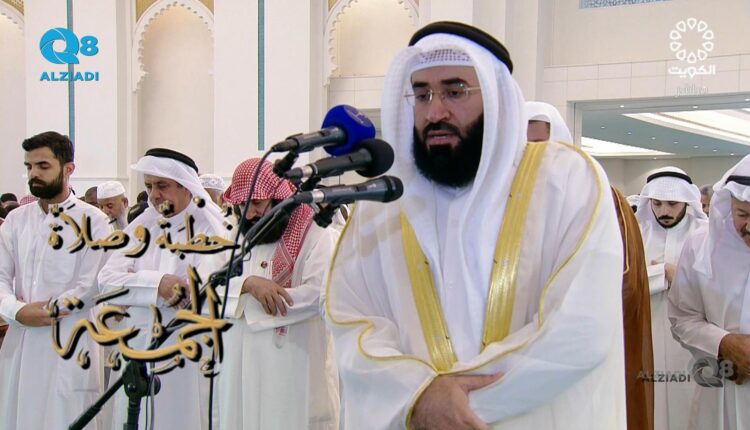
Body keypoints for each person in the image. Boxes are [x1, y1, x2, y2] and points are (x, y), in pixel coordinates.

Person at [325, 22, 625, 430]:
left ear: (497, 98)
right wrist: (417, 395)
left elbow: (580, 326)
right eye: (422, 94)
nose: (435, 112)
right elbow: (352, 319)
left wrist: (454, 406)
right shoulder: (384, 203)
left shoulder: (567, 182)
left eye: (455, 91)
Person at [526, 101, 654, 430]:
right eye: (521, 146)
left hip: (583, 355)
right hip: (516, 364)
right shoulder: (502, 203)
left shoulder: (600, 197)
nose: (530, 155)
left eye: (539, 145)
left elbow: (623, 285)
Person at [97, 148, 230, 430]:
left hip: (186, 355)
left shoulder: (212, 229)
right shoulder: (143, 225)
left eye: (162, 185)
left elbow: (196, 294)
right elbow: (107, 280)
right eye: (149, 187)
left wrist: (134, 286)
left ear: (185, 186)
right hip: (137, 346)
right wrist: (158, 284)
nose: (154, 194)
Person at [214, 158, 339, 429]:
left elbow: (320, 293)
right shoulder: (232, 235)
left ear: (279, 198)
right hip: (238, 364)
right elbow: (207, 284)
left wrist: (252, 306)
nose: (249, 214)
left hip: (294, 362)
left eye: (257, 204)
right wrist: (248, 285)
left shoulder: (316, 233)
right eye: (243, 205)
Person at [0, 131, 111, 429]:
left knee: (66, 418)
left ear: (68, 168)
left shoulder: (94, 221)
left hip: (70, 343)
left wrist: (48, 311)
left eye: (43, 166)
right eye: (29, 167)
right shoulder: (16, 221)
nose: (33, 174)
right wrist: (16, 310)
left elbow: (91, 285)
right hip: (20, 340)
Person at [668, 154, 750, 429]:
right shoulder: (700, 246)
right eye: (743, 214)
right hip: (721, 392)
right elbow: (682, 317)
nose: (749, 227)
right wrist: (722, 344)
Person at [635, 166, 707, 430]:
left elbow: (714, 285)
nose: (664, 211)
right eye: (657, 203)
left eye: (672, 204)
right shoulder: (636, 234)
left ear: (687, 201)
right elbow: (622, 279)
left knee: (689, 401)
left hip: (692, 341)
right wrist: (664, 272)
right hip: (646, 331)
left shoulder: (705, 235)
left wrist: (663, 275)